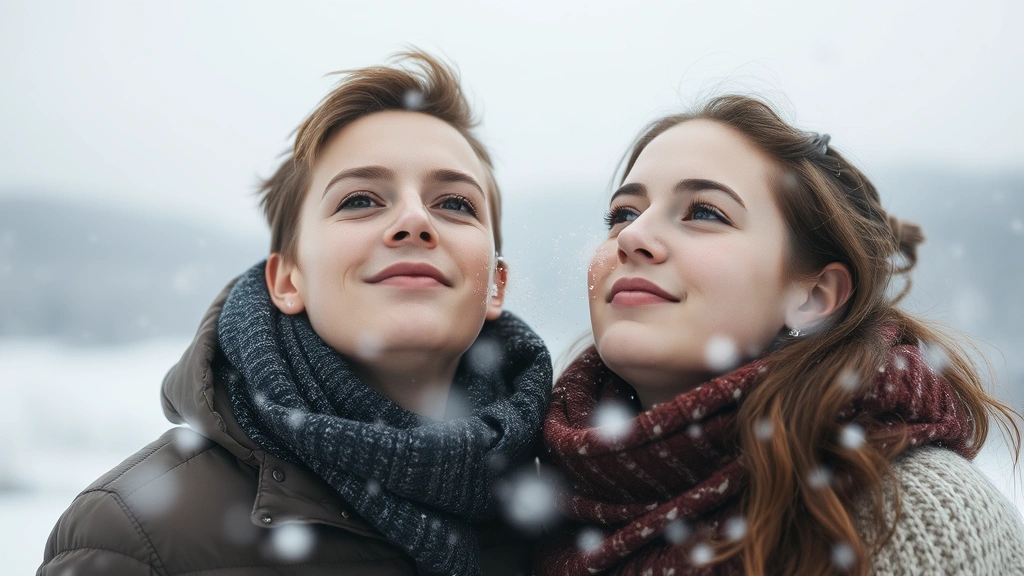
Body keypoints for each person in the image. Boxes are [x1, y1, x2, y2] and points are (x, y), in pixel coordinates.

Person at [38, 52, 552, 576]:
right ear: (288, 280)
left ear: (495, 285)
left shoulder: (563, 514)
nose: (415, 220)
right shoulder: (134, 539)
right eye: (360, 199)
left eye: (456, 204)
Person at [537, 95, 1024, 575]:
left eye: (705, 213)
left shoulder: (912, 513)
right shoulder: (536, 500)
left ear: (813, 298)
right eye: (622, 214)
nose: (630, 236)